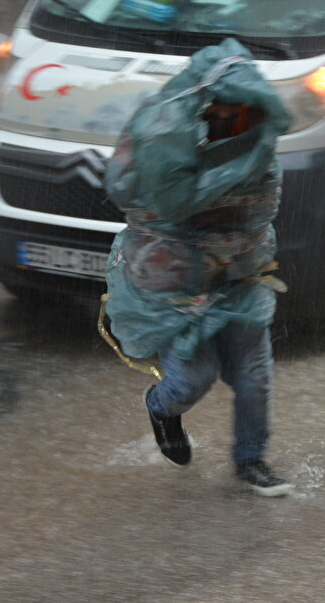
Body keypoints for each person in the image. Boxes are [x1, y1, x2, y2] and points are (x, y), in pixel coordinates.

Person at [103, 39, 294, 496]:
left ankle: (251, 460)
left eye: (240, 108)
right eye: (222, 108)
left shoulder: (255, 140)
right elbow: (169, 201)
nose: (230, 117)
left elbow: (261, 202)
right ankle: (162, 408)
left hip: (239, 276)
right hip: (177, 286)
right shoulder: (167, 135)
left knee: (254, 379)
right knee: (193, 378)